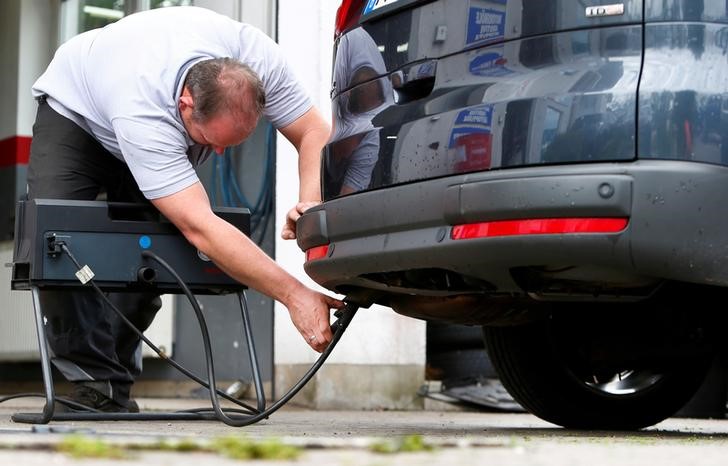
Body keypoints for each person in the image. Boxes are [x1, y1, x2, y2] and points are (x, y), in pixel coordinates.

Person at [28, 6, 343, 413]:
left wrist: (310, 202)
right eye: (209, 141)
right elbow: (201, 229)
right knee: (57, 241)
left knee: (153, 254)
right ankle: (94, 384)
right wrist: (294, 295)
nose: (217, 153)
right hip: (77, 111)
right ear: (186, 103)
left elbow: (314, 131)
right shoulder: (144, 107)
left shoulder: (260, 59)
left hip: (140, 102)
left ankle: (114, 383)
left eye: (231, 144)